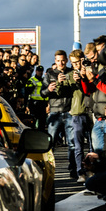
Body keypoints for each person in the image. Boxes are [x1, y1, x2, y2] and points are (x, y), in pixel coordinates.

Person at [58, 49, 92, 184]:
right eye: (73, 63)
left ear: (82, 60)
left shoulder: (90, 71)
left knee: (92, 146)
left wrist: (83, 78)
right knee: (78, 146)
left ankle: (91, 169)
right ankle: (80, 172)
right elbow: (61, 92)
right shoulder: (71, 75)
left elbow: (90, 89)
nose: (75, 65)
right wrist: (60, 82)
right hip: (77, 113)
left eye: (77, 62)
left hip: (90, 111)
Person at [41, 50, 77, 178]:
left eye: (63, 60)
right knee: (50, 143)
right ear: (55, 61)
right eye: (58, 60)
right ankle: (48, 169)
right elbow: (42, 93)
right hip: (55, 112)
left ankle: (73, 169)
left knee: (72, 143)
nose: (61, 63)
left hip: (69, 110)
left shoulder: (72, 73)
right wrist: (48, 89)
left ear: (66, 60)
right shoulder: (50, 74)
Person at [25, 65, 48, 129]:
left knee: (42, 121)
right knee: (33, 120)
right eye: (38, 71)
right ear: (36, 71)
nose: (40, 72)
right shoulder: (31, 80)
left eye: (41, 71)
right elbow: (27, 91)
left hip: (42, 103)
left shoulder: (44, 80)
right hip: (34, 103)